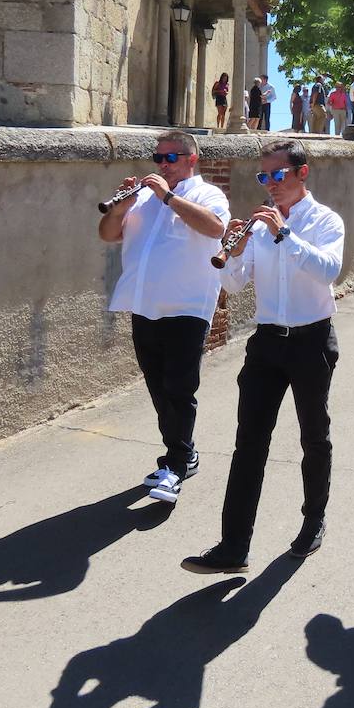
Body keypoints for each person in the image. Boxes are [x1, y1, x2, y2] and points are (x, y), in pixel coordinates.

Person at [181, 139, 346, 573]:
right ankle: (234, 546)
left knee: (314, 434)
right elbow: (235, 286)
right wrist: (234, 255)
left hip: (312, 339)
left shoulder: (325, 220)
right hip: (267, 342)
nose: (270, 185)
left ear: (302, 173)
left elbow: (329, 270)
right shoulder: (257, 227)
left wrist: (283, 234)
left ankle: (313, 520)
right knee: (249, 442)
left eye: (278, 175)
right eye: (263, 177)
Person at [99, 130, 231, 505]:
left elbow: (216, 228)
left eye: (170, 158)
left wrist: (168, 196)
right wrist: (120, 208)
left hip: (186, 307)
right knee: (158, 387)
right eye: (157, 158)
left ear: (192, 159)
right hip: (144, 306)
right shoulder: (141, 197)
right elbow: (107, 234)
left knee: (179, 388)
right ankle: (182, 452)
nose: (161, 164)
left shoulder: (207, 194)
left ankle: (174, 464)